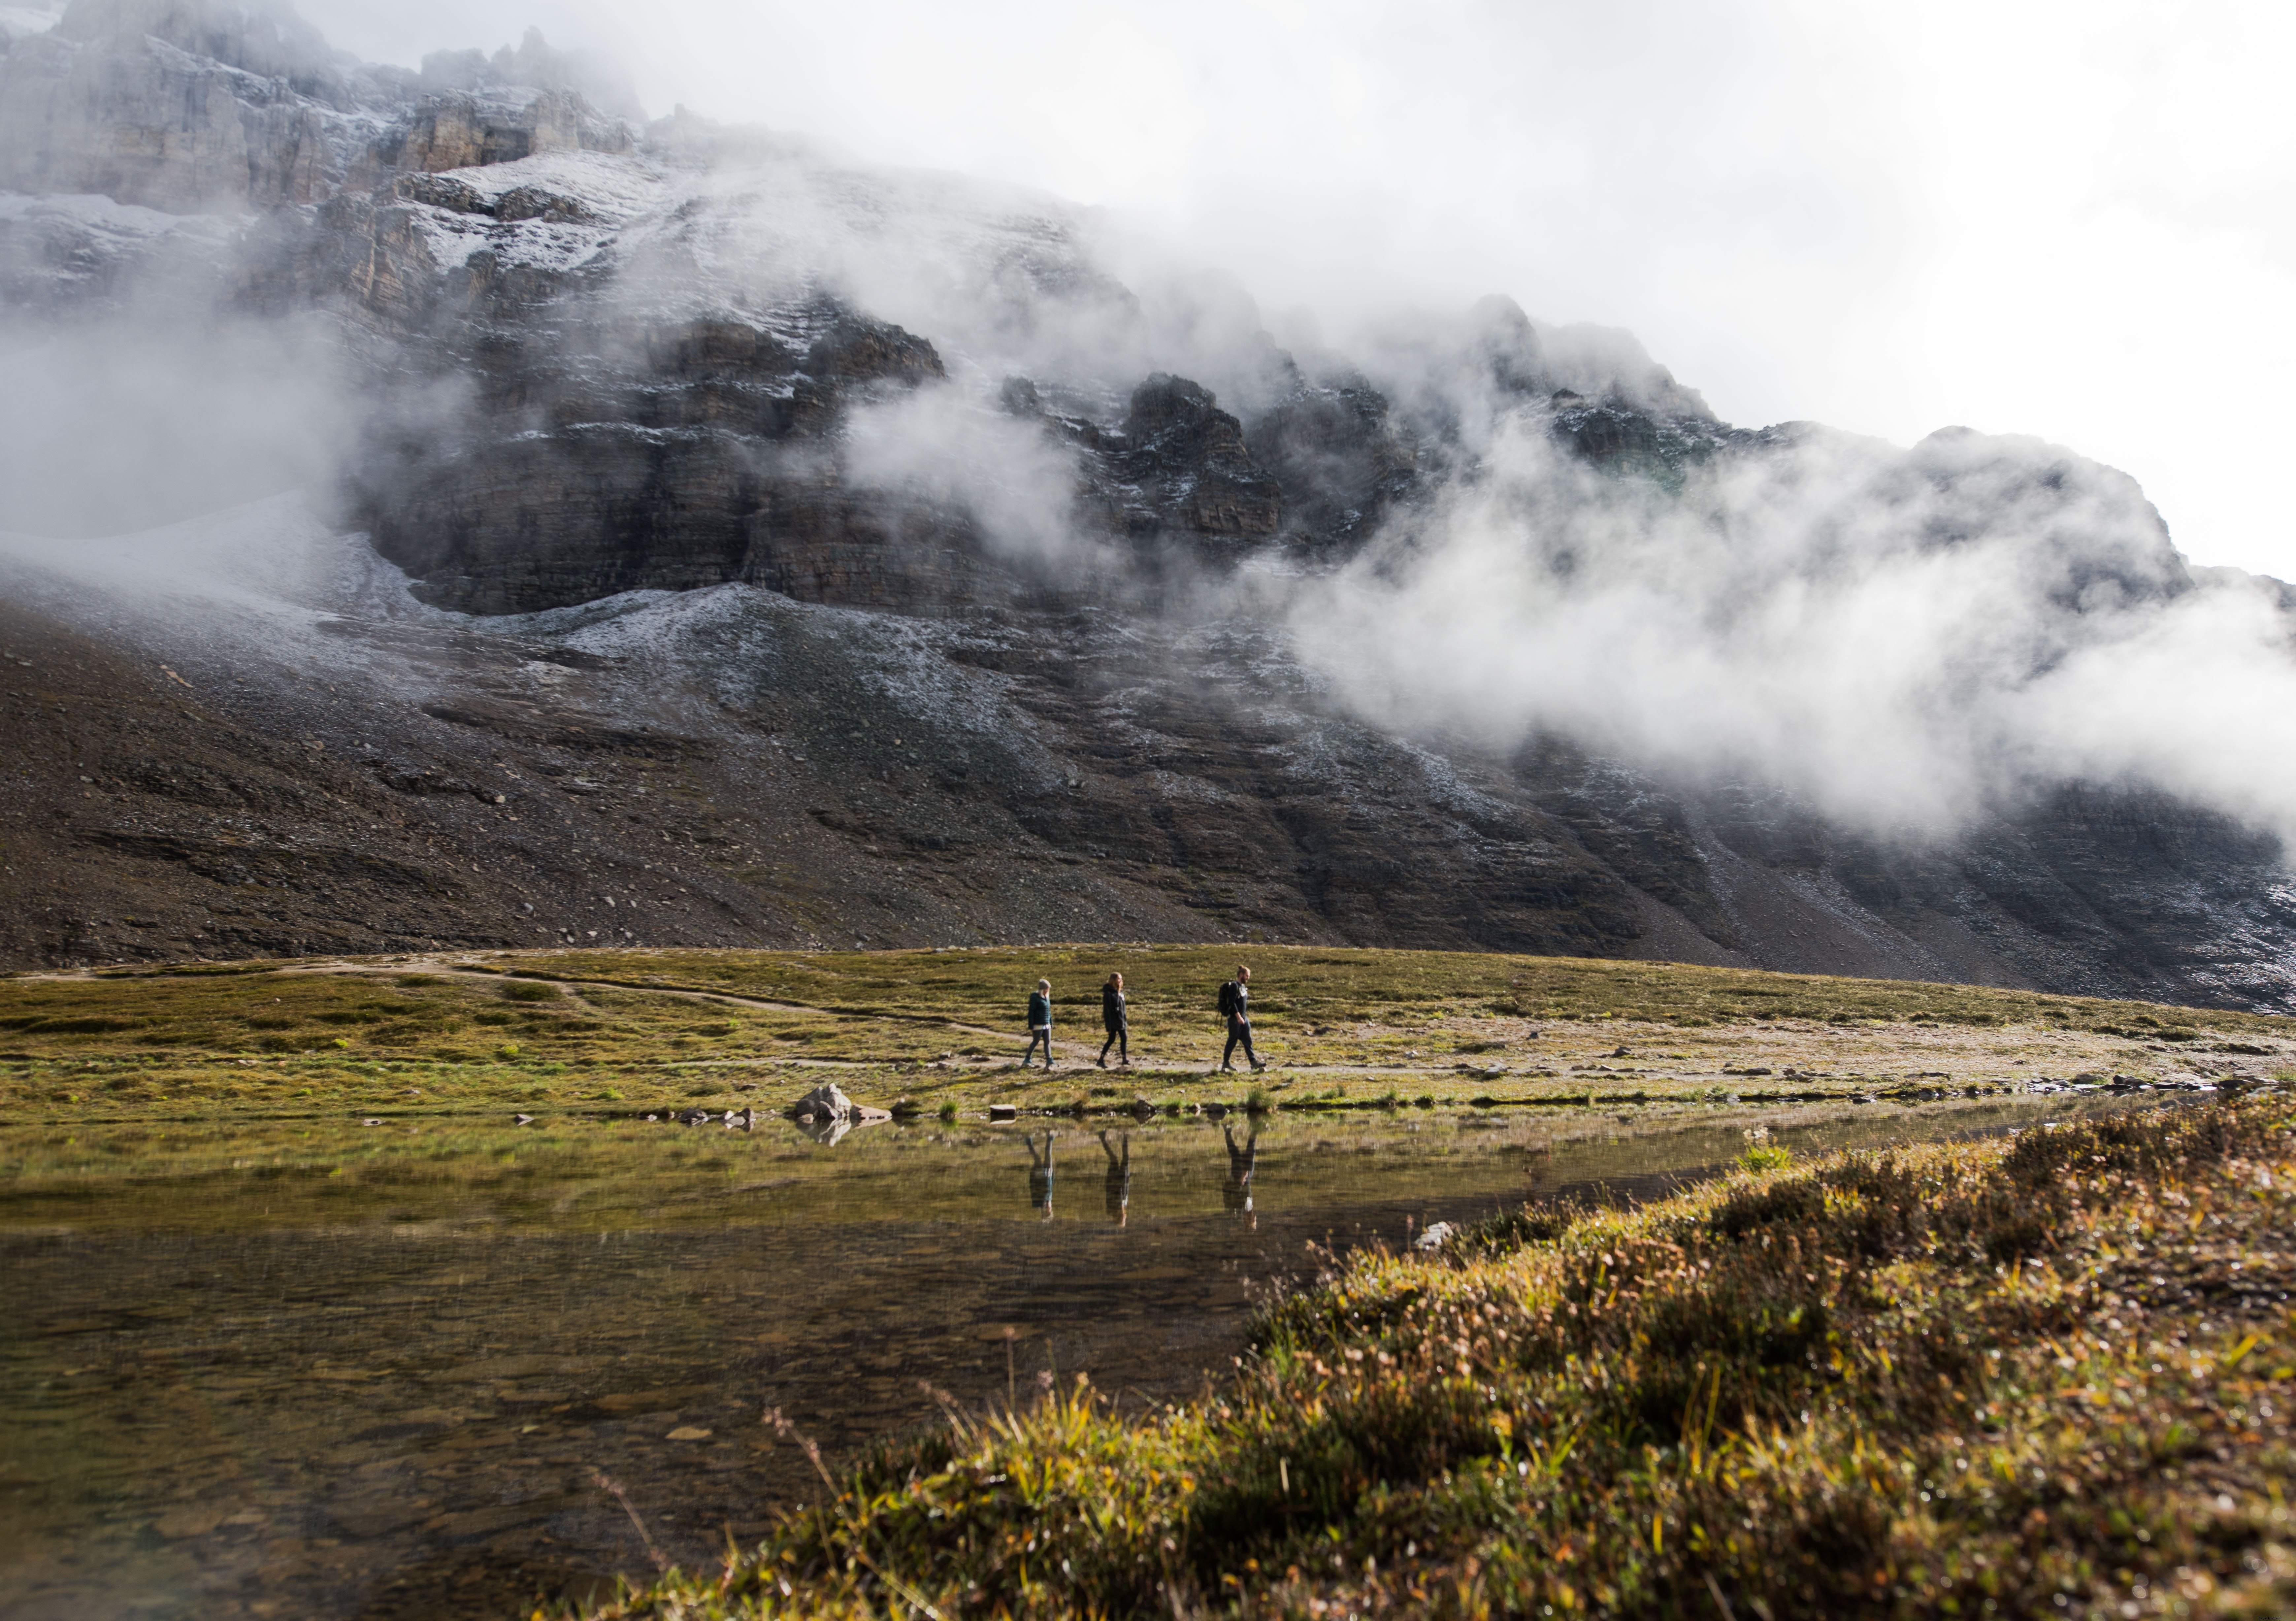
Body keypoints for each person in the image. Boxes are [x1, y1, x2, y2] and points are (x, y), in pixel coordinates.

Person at [1217, 963, 1265, 1072]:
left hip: (1244, 1019)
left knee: (1248, 1040)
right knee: (1232, 1041)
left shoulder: (1242, 987)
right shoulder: (1234, 986)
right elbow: (1232, 1003)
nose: (1248, 978)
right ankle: (1226, 1063)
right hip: (1235, 1019)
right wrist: (1238, 1017)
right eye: (1247, 976)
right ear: (1241, 975)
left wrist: (1243, 1018)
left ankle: (1254, 1063)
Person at [1221, 1121, 1259, 1226]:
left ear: (1245, 1220)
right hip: (1247, 1177)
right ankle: (1255, 1127)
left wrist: (1241, 1179)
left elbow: (1233, 1193)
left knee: (1236, 1153)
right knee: (1250, 1150)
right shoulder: (1248, 1209)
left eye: (1252, 1219)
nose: (1254, 1216)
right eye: (1254, 1219)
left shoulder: (1238, 1210)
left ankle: (1228, 1131)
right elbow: (1248, 1193)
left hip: (1238, 1177)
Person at [1098, 1129, 1131, 1226]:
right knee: (1125, 1158)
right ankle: (1125, 1137)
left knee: (1114, 1159)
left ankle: (1103, 1138)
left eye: (1122, 1218)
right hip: (1124, 1178)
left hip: (1114, 1179)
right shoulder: (1123, 1206)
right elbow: (1126, 1190)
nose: (1124, 1216)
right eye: (1124, 1218)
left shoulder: (1112, 1206)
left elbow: (1112, 1192)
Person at [1098, 972, 1129, 1068]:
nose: (1120, 981)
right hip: (1113, 1021)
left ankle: (1124, 1059)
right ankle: (1101, 1059)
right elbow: (1107, 1010)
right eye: (1118, 979)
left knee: (1124, 1038)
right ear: (1114, 980)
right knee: (1111, 1040)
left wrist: (1125, 1020)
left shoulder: (1120, 993)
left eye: (1121, 979)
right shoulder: (1108, 994)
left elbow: (1123, 1008)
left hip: (1121, 1021)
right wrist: (1108, 1026)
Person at [1023, 978, 1054, 1069]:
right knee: (1036, 1042)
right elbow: (1032, 1012)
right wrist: (1031, 1025)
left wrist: (1051, 1023)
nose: (1047, 991)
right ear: (1042, 989)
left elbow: (1048, 1011)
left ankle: (1049, 1060)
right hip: (1038, 1024)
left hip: (1046, 1024)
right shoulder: (1035, 997)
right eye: (1046, 989)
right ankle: (1027, 1059)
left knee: (1047, 1042)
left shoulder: (1046, 998)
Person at [1025, 1130, 1055, 1220]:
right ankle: (1050, 1136)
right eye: (1050, 1212)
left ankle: (1029, 1141)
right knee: (1048, 1154)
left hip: (1039, 1177)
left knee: (1037, 1158)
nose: (1050, 1210)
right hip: (1049, 1176)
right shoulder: (1049, 1202)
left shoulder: (1037, 1203)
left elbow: (1033, 1188)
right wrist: (1053, 1175)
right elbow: (1051, 1187)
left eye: (1049, 1212)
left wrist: (1032, 1176)